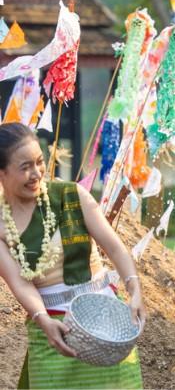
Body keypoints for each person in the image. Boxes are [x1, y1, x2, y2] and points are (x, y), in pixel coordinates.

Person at [0, 123, 146, 389]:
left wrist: (134, 287)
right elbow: (20, 282)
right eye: (25, 167)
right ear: (2, 172)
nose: (36, 174)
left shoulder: (71, 195)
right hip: (53, 327)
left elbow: (114, 248)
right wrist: (43, 320)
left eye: (39, 162)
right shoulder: (1, 224)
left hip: (105, 322)